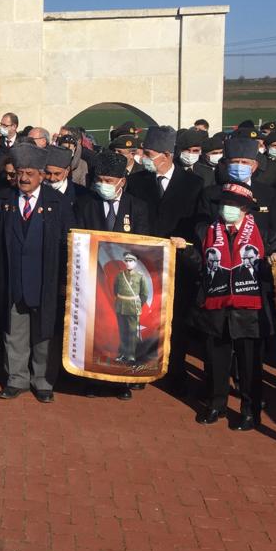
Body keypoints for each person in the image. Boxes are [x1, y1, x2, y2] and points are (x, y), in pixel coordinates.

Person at [0, 144, 73, 403]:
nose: (23, 178)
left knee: (44, 333)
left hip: (46, 280)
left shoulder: (58, 203)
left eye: (30, 173)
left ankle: (43, 381)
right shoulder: (3, 200)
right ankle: (16, 379)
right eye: (20, 172)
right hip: (12, 277)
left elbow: (69, 243)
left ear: (42, 175)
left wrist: (65, 281)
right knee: (14, 331)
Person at [192, 181, 276, 431]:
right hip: (216, 305)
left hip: (249, 309)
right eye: (224, 203)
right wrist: (181, 251)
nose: (227, 208)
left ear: (245, 208)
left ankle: (250, 412)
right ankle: (215, 405)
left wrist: (272, 263)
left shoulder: (265, 234)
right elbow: (199, 264)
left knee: (250, 365)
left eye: (232, 204)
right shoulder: (205, 231)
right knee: (215, 360)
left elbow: (265, 273)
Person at [125, 125, 203, 395]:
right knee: (144, 317)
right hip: (145, 262)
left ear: (166, 155)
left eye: (148, 153)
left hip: (179, 264)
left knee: (177, 321)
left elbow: (196, 225)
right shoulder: (136, 182)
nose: (143, 158)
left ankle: (176, 370)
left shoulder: (194, 184)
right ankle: (142, 368)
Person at [73, 150, 153, 399]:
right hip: (95, 277)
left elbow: (144, 244)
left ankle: (122, 382)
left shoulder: (137, 207)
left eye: (109, 181)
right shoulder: (87, 205)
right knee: (97, 327)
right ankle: (94, 380)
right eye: (100, 180)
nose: (103, 185)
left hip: (127, 283)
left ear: (122, 182)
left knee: (125, 330)